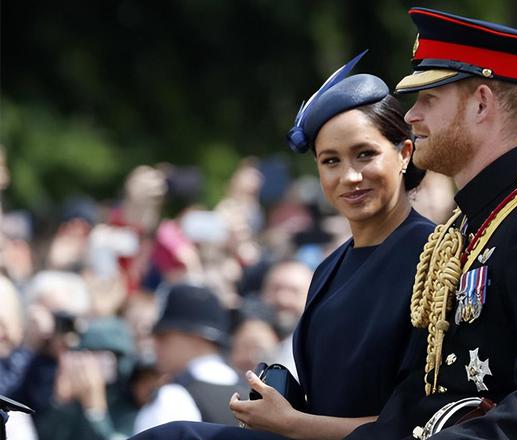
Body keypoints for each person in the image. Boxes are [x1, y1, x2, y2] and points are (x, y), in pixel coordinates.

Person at [345, 7, 517, 440]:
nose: (411, 117)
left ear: (481, 104)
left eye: (429, 100)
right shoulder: (465, 223)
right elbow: (418, 397)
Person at [130, 51, 434, 440]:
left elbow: (420, 425)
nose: (350, 176)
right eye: (330, 161)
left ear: (404, 153)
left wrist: (292, 423)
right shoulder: (331, 267)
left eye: (365, 154)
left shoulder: (431, 256)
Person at [132, 283, 246, 434]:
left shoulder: (173, 398)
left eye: (164, 336)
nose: (155, 344)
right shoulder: (251, 392)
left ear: (196, 337)